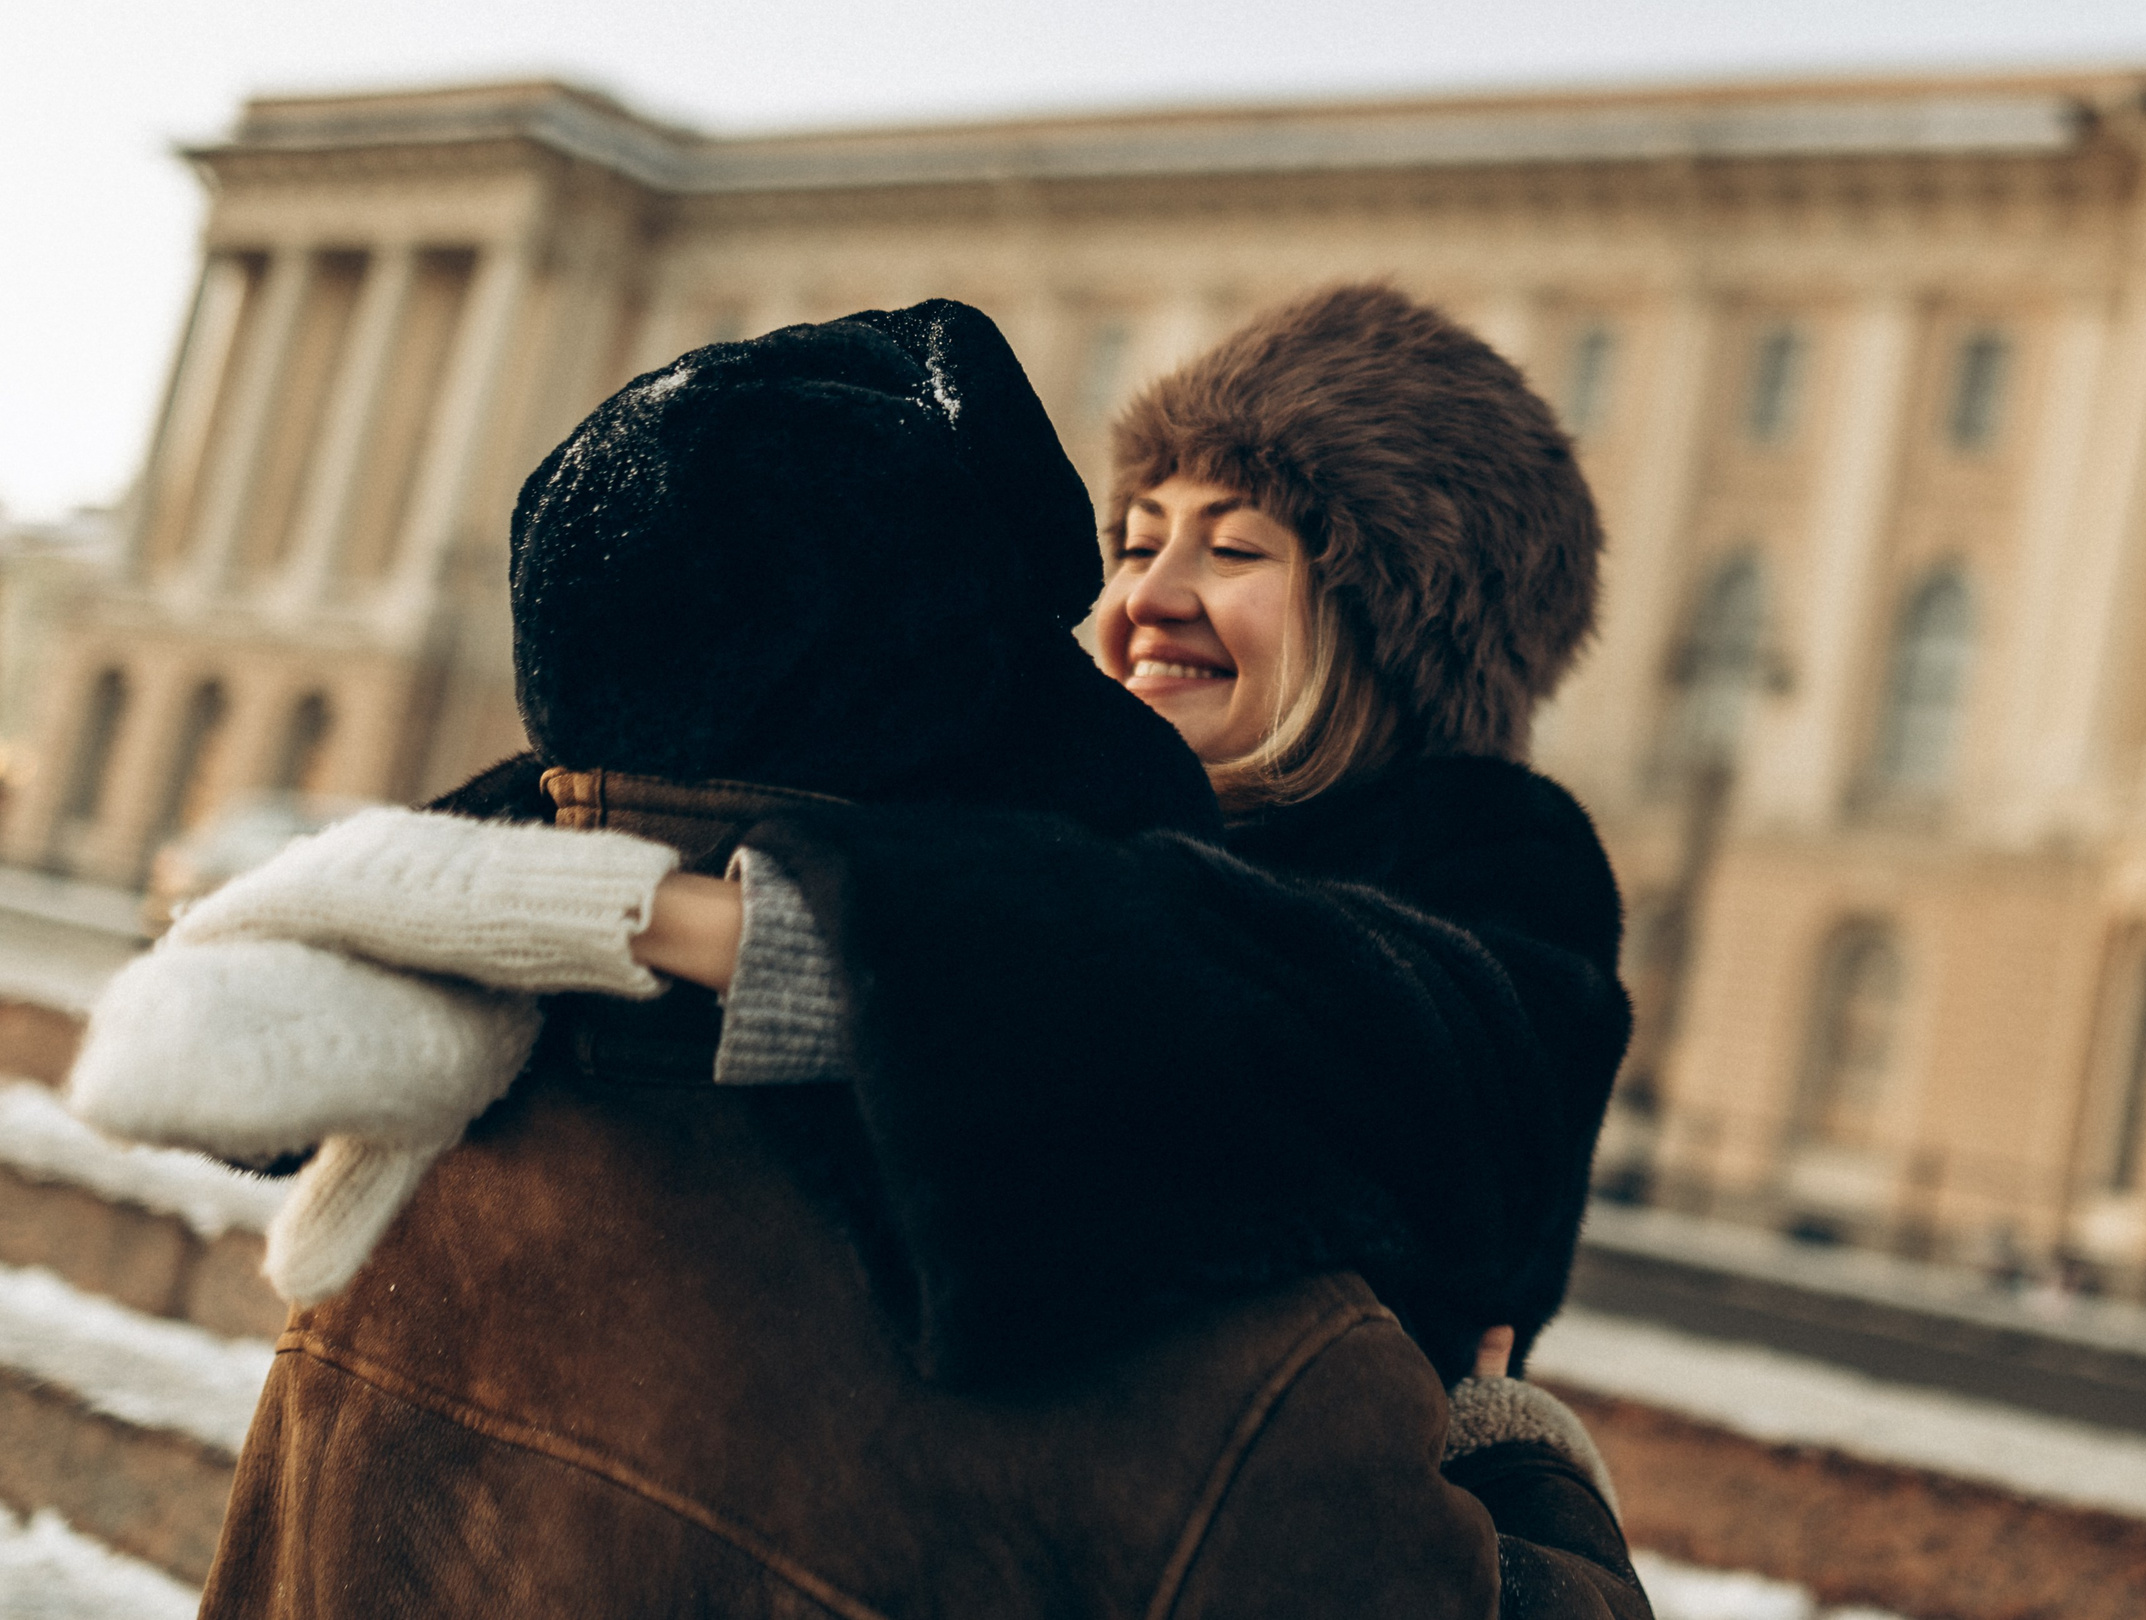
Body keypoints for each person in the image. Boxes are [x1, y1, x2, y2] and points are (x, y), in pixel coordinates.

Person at [71, 298, 1650, 1616]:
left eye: (1233, 551)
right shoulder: (1034, 812)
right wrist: (417, 891)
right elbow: (726, 788)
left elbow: (1281, 1000)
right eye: (1132, 541)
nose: (1146, 598)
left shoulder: (1481, 879)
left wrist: (715, 922)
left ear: (1396, 625)